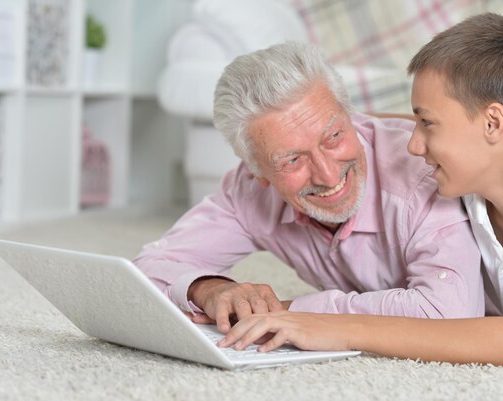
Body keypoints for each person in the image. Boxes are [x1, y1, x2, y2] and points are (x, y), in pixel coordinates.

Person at [218, 13, 503, 369]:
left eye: (427, 122)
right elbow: (377, 130)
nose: (414, 145)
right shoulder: (471, 189)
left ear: (493, 123)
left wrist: (331, 325)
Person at [133, 41, 484, 334]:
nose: (329, 176)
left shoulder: (422, 174)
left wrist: (290, 312)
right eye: (292, 161)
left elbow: (450, 314)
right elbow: (146, 268)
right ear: (258, 172)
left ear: (352, 117)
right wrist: (208, 288)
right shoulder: (250, 191)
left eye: (333, 137)